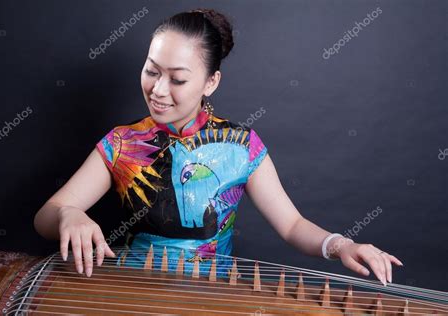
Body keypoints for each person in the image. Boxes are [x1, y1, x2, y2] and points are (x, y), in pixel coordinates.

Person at [34, 8, 402, 285]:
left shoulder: (241, 146)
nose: (158, 90)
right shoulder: (123, 142)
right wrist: (69, 215)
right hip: (133, 289)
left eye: (177, 79)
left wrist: (342, 245)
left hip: (212, 294)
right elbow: (47, 215)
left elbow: (291, 225)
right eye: (151, 70)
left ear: (211, 82)